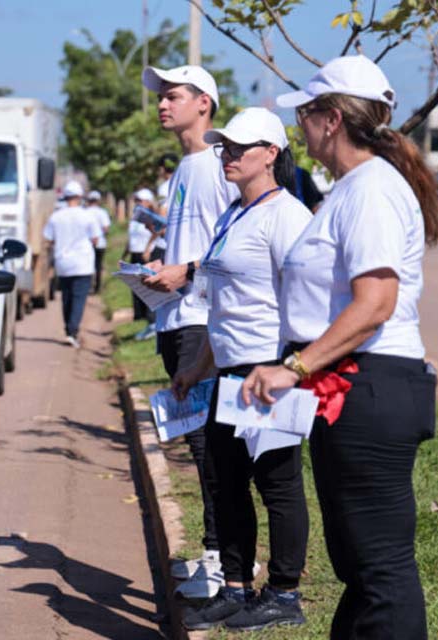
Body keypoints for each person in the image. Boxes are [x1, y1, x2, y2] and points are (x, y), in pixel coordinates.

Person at [242, 55, 438, 640]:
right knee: (360, 565)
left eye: (304, 114)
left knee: (380, 569)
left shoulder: (372, 190)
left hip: (370, 388)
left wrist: (295, 366)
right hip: (352, 386)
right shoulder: (355, 188)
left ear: (331, 119)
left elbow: (375, 301)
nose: (298, 128)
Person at [171, 108, 313, 631]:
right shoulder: (234, 214)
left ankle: (284, 593)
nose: (227, 156)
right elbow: (220, 305)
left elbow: (306, 303)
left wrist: (289, 368)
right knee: (225, 479)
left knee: (277, 483)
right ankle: (235, 587)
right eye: (223, 148)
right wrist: (196, 367)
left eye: (238, 148)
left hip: (267, 370)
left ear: (270, 154)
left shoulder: (287, 216)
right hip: (229, 371)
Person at [139, 64, 240, 599]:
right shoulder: (185, 167)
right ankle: (211, 554)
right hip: (174, 315)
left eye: (173, 95)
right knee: (196, 442)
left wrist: (187, 271)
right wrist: (161, 264)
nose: (162, 103)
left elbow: (235, 244)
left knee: (208, 446)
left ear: (204, 103)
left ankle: (222, 563)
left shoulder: (216, 168)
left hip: (201, 320)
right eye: (160, 96)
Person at [43, 180, 102, 348]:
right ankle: (72, 331)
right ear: (80, 196)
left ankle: (69, 330)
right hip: (83, 263)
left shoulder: (56, 217)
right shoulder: (87, 215)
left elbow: (48, 238)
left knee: (66, 298)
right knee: (79, 298)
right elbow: (96, 239)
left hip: (63, 263)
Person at [125, 188, 156, 328]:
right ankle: (138, 315)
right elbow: (131, 236)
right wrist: (126, 251)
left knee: (148, 285)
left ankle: (150, 316)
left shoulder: (152, 216)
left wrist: (148, 249)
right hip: (135, 252)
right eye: (136, 200)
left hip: (146, 254)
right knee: (135, 285)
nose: (138, 203)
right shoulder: (135, 216)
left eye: (140, 200)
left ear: (148, 202)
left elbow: (155, 233)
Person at [85, 190, 111, 293]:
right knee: (98, 265)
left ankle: (88, 286)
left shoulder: (85, 212)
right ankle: (97, 288)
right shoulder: (102, 212)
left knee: (88, 265)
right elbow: (106, 228)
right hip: (100, 243)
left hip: (87, 244)